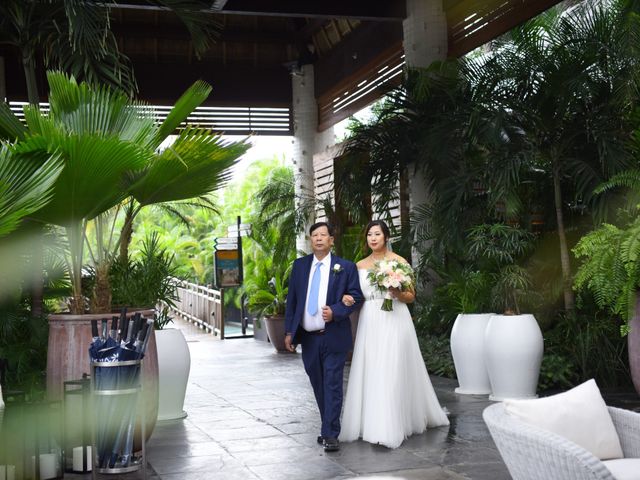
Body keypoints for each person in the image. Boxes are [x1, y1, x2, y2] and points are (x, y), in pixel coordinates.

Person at [339, 220, 449, 449]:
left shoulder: (399, 262)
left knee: (393, 367)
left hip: (395, 318)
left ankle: (393, 422)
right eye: (369, 234)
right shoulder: (358, 265)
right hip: (370, 320)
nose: (372, 238)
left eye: (377, 233)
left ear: (386, 236)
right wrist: (348, 299)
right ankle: (370, 420)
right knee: (373, 367)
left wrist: (397, 292)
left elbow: (411, 296)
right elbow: (355, 295)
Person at [284, 222, 364, 452]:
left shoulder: (345, 267)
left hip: (333, 335)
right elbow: (293, 301)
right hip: (308, 338)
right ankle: (327, 425)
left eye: (323, 235)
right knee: (318, 382)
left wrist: (337, 311)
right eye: (314, 235)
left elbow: (356, 297)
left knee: (332, 382)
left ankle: (330, 433)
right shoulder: (299, 266)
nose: (318, 238)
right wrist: (289, 331)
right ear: (311, 240)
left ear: (331, 240)